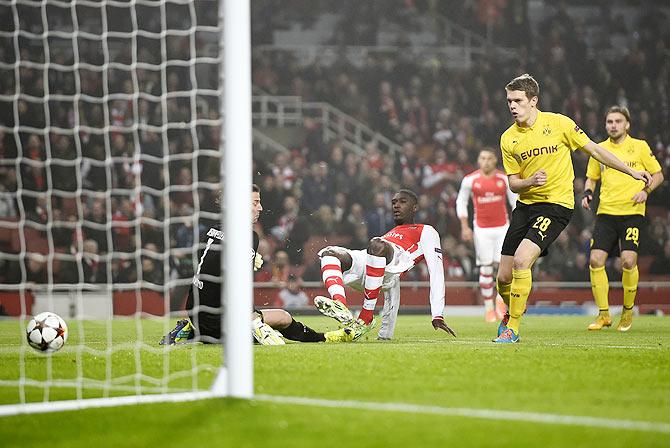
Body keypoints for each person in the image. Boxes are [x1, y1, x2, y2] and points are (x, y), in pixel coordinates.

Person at [494, 74, 652, 343]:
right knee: (503, 278)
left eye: (518, 100)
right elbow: (513, 184)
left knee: (522, 261)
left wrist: (630, 171)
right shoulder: (508, 138)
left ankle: (513, 328)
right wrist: (529, 181)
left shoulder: (559, 124)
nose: (512, 106)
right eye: (509, 100)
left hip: (556, 206)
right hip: (525, 207)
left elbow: (596, 151)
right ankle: (513, 309)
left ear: (533, 101)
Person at [160, 184, 361, 346]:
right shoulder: (248, 235)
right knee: (283, 318)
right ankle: (324, 338)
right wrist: (254, 320)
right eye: (255, 202)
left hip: (195, 312)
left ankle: (190, 330)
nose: (261, 208)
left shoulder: (214, 230)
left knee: (273, 317)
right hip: (221, 322)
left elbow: (206, 270)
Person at [313, 189, 456, 339]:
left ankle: (366, 316)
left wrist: (437, 313)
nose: (396, 206)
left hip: (393, 265)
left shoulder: (426, 231)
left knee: (377, 244)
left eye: (402, 202)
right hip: (369, 260)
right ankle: (339, 304)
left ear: (415, 208)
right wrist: (386, 334)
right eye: (394, 202)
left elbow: (436, 271)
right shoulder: (391, 232)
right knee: (329, 252)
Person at [582, 106, 664, 332]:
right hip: (606, 213)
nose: (613, 125)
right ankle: (604, 315)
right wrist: (588, 193)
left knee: (628, 261)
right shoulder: (599, 150)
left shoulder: (640, 147)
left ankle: (627, 313)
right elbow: (591, 178)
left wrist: (645, 192)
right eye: (609, 121)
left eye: (618, 121)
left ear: (627, 124)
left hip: (632, 212)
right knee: (595, 260)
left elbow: (658, 175)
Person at [456, 149, 517, 322]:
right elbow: (461, 202)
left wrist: (517, 226)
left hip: (502, 227)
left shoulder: (504, 179)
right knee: (485, 267)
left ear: (495, 160)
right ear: (478, 160)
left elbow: (515, 203)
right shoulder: (470, 179)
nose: (486, 161)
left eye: (489, 158)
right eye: (482, 158)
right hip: (481, 228)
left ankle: (499, 300)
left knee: (503, 266)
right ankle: (488, 307)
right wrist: (464, 227)